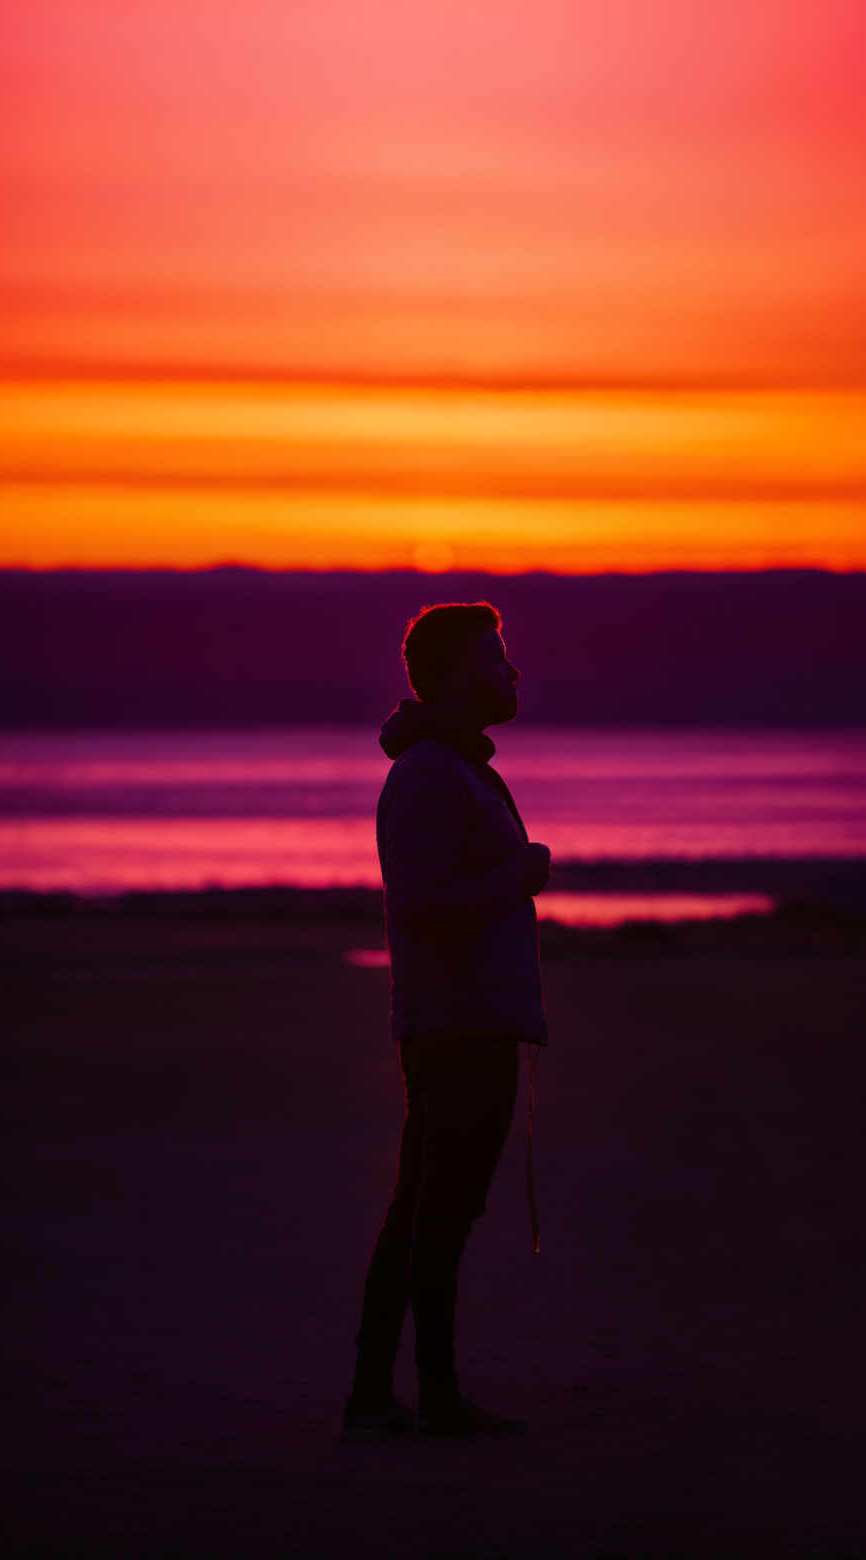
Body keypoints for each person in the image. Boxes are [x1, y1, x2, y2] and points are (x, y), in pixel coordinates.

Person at [341, 600, 551, 1440]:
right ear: (453, 677)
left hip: (463, 1020)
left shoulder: (451, 766)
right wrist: (520, 875)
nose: (511, 672)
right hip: (455, 1025)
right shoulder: (431, 774)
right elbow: (424, 906)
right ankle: (427, 1397)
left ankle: (383, 1395)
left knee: (424, 1208)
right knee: (440, 1212)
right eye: (494, 659)